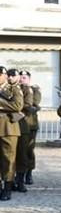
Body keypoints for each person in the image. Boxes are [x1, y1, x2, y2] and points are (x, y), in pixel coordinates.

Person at [0, 66, 23, 201]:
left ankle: (7, 187)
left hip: (8, 127)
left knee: (8, 158)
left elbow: (17, 106)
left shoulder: (13, 89)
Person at [7, 69, 32, 193]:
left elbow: (27, 105)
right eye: (9, 75)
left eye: (14, 76)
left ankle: (21, 180)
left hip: (21, 124)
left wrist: (12, 109)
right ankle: (9, 181)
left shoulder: (25, 89)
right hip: (8, 125)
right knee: (8, 155)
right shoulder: (6, 88)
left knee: (22, 154)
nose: (11, 78)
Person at [18, 70, 41, 186]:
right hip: (17, 124)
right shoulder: (16, 89)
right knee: (19, 150)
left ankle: (29, 172)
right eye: (21, 77)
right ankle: (19, 174)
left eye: (24, 78)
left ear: (29, 79)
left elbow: (34, 104)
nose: (22, 79)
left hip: (30, 124)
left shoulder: (34, 90)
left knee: (28, 150)